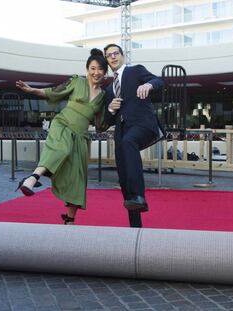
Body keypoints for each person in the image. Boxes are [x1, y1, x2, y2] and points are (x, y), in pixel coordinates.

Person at [15, 48, 108, 224]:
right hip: (63, 124)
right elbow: (52, 92)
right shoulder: (76, 82)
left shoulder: (103, 97)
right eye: (92, 68)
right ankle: (32, 178)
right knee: (61, 149)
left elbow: (100, 125)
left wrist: (113, 110)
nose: (96, 72)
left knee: (76, 178)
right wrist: (31, 90)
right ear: (87, 69)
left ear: (105, 72)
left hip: (81, 137)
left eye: (100, 69)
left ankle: (70, 219)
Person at [103, 43, 164, 228]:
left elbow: (158, 81)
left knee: (129, 142)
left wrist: (148, 84)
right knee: (123, 178)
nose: (113, 57)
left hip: (143, 125)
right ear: (107, 60)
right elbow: (107, 121)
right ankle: (135, 227)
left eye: (116, 53)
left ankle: (139, 195)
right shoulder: (108, 90)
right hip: (122, 132)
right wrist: (110, 109)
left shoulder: (135, 71)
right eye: (109, 55)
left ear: (122, 56)